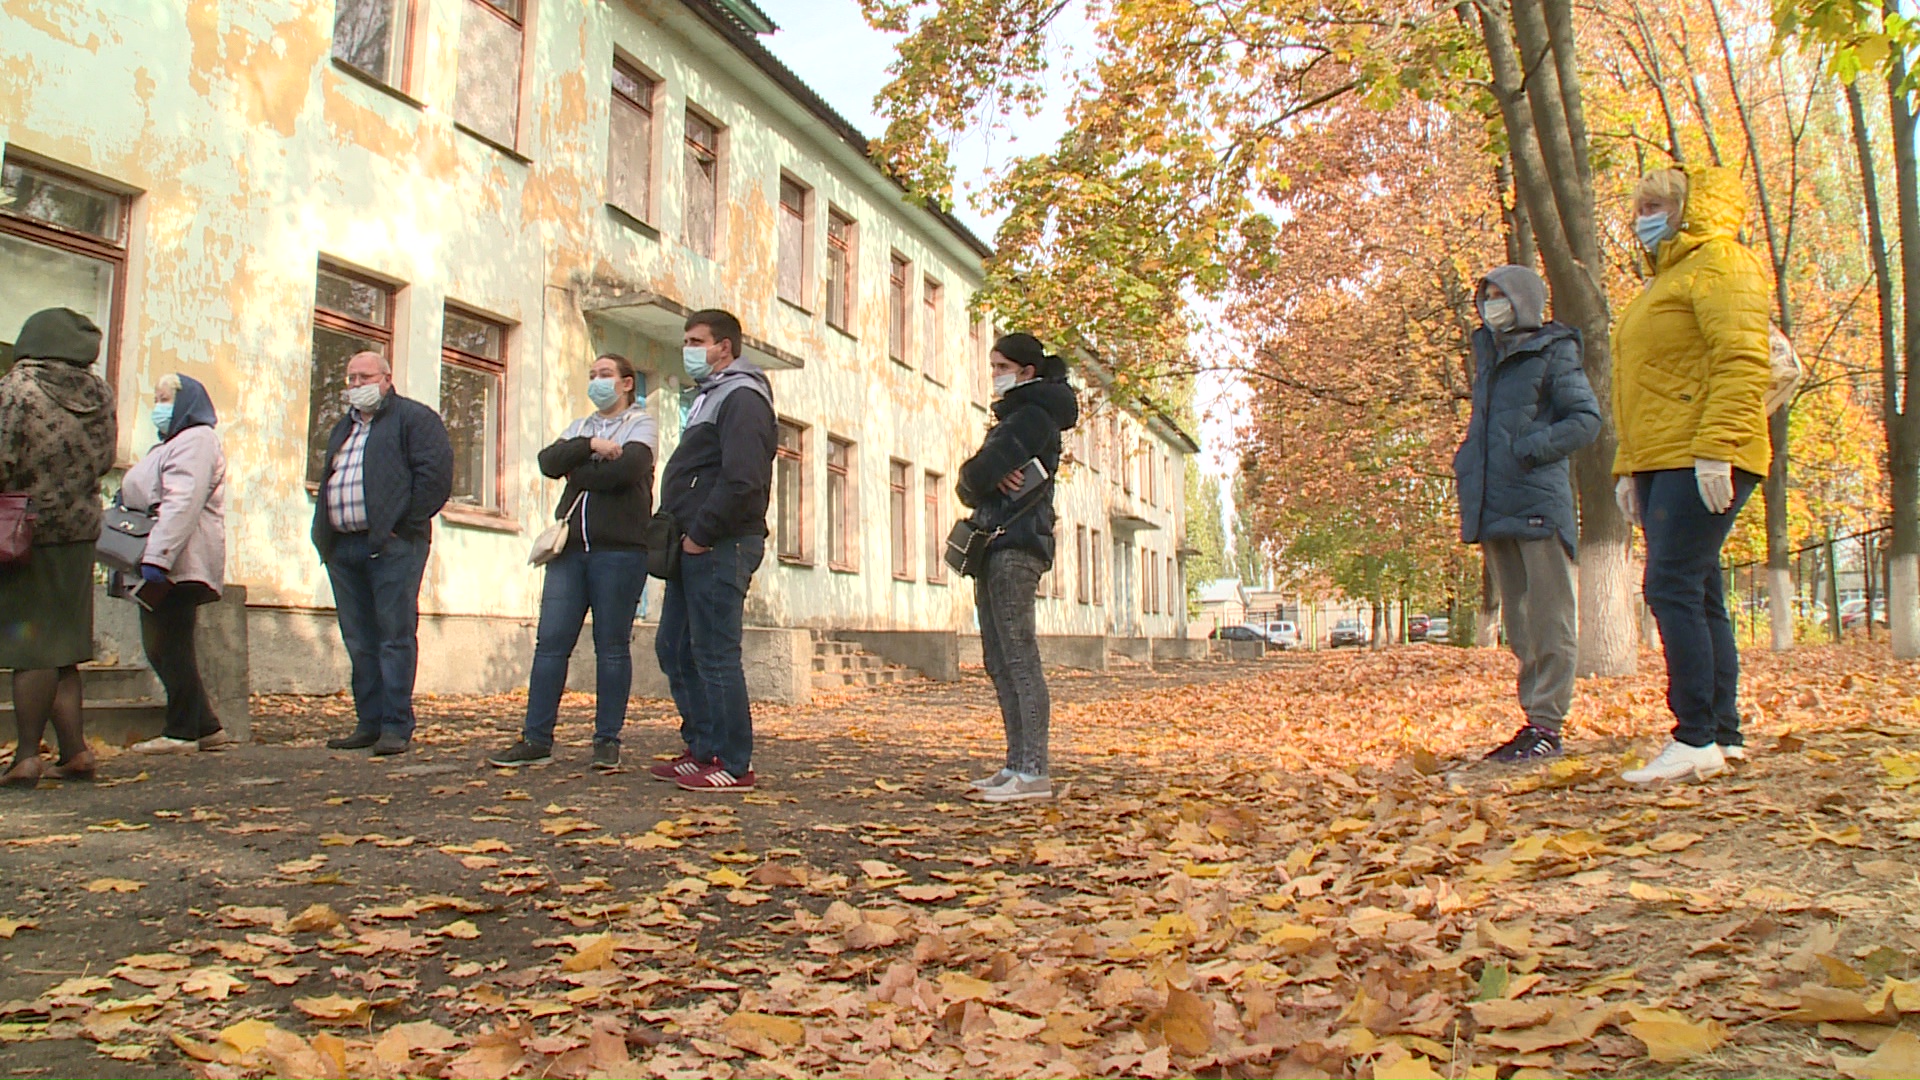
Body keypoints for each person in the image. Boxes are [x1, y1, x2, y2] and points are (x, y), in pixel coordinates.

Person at [1613, 166, 1772, 784]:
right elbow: (1642, 386)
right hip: (1661, 456)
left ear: (1689, 207)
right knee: (1699, 590)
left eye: (1655, 204)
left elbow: (1741, 359)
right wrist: (1629, 467)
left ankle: (1695, 734)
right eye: (1639, 205)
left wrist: (1717, 448)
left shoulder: (1724, 264)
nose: (1642, 216)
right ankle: (1721, 734)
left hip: (1699, 453)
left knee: (1670, 586)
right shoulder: (1664, 281)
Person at [1452, 265, 1601, 763]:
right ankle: (1533, 723)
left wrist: (1531, 447)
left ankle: (1549, 725)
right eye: (1487, 296)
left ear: (1525, 300)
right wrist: (1469, 461)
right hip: (1495, 506)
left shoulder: (1553, 351)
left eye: (1502, 295)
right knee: (1519, 621)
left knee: (1549, 616)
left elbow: (1585, 419)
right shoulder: (1490, 358)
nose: (1492, 304)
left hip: (1538, 502)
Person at [489, 354, 657, 771]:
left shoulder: (642, 423)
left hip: (620, 552)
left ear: (627, 383)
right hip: (568, 552)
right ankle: (535, 738)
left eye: (606, 375)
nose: (597, 382)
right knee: (550, 645)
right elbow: (549, 462)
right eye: (592, 376)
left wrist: (577, 470)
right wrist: (591, 447)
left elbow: (628, 470)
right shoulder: (582, 427)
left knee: (612, 647)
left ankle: (606, 742)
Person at [648, 310, 775, 792]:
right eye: (685, 340)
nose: (689, 349)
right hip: (693, 544)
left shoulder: (743, 397)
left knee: (715, 653)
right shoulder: (709, 397)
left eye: (696, 340)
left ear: (725, 347)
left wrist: (701, 532)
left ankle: (733, 762)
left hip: (721, 543)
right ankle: (702, 747)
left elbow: (743, 479)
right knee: (674, 647)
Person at [956, 333, 1079, 803]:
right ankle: (1015, 766)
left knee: (1018, 659)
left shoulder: (1030, 417)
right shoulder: (1017, 416)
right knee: (998, 660)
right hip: (995, 544)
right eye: (992, 366)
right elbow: (975, 482)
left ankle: (1033, 771)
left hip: (1016, 544)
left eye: (1000, 366)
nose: (994, 375)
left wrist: (980, 475)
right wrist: (981, 477)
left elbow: (973, 477)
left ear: (1027, 372)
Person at [312, 351, 453, 757]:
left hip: (394, 545)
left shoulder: (414, 418)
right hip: (344, 546)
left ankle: (395, 724)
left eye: (364, 377)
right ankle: (368, 722)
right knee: (359, 638)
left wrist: (401, 524)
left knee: (393, 635)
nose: (356, 385)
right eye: (350, 378)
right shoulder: (343, 428)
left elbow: (435, 475)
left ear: (386, 379)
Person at [0, 308, 117, 786]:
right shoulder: (100, 393)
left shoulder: (17, 389)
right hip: (80, 528)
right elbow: (107, 459)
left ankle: (27, 755)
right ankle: (76, 751)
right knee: (63, 645)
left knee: (32, 647)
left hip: (23, 531)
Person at [124, 374, 235, 755]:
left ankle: (182, 732)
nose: (158, 406)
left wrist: (157, 557)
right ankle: (204, 726)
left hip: (177, 561)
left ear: (187, 402)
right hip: (169, 557)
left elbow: (181, 502)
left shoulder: (196, 441)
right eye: (155, 398)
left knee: (166, 644)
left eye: (165, 398)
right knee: (166, 644)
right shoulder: (171, 444)